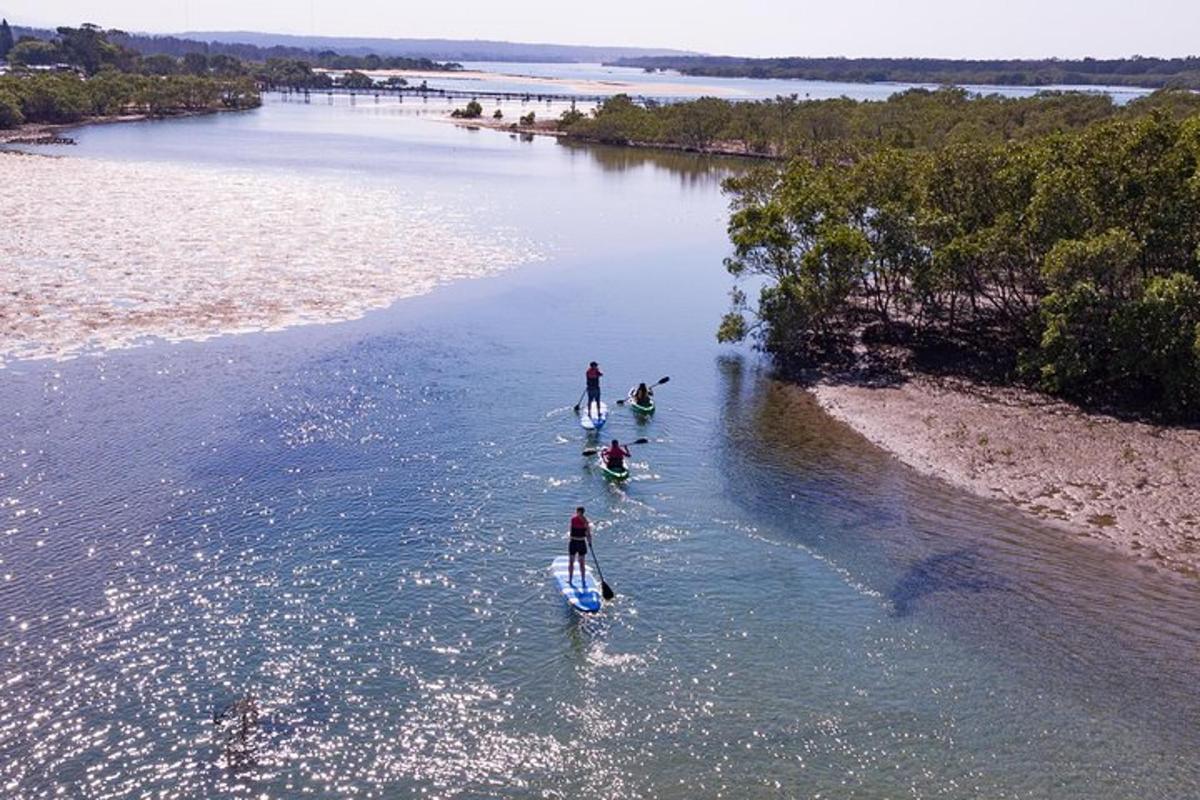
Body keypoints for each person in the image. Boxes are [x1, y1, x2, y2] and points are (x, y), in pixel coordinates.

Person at [568, 506, 592, 587]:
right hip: (573, 542)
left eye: (579, 512)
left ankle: (583, 579)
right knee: (571, 562)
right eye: (578, 512)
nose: (578, 514)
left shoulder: (585, 521)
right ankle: (570, 580)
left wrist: (589, 542)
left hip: (581, 542)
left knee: (581, 563)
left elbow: (588, 533)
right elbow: (572, 530)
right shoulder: (573, 519)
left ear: (581, 512)